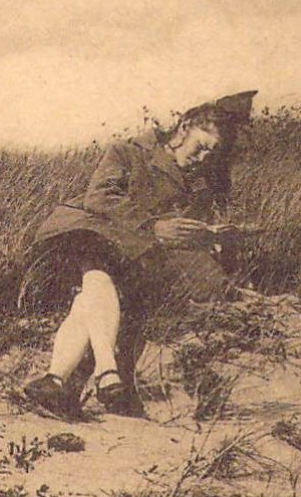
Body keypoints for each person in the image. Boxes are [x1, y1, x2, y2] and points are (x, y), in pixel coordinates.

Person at [19, 90, 257, 420]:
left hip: (122, 258)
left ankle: (56, 380)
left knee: (95, 287)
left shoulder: (201, 181)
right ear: (184, 126)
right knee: (97, 259)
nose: (203, 158)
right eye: (201, 147)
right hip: (77, 236)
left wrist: (208, 237)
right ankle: (106, 371)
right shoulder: (128, 152)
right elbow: (99, 199)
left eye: (211, 154)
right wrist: (153, 226)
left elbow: (185, 228)